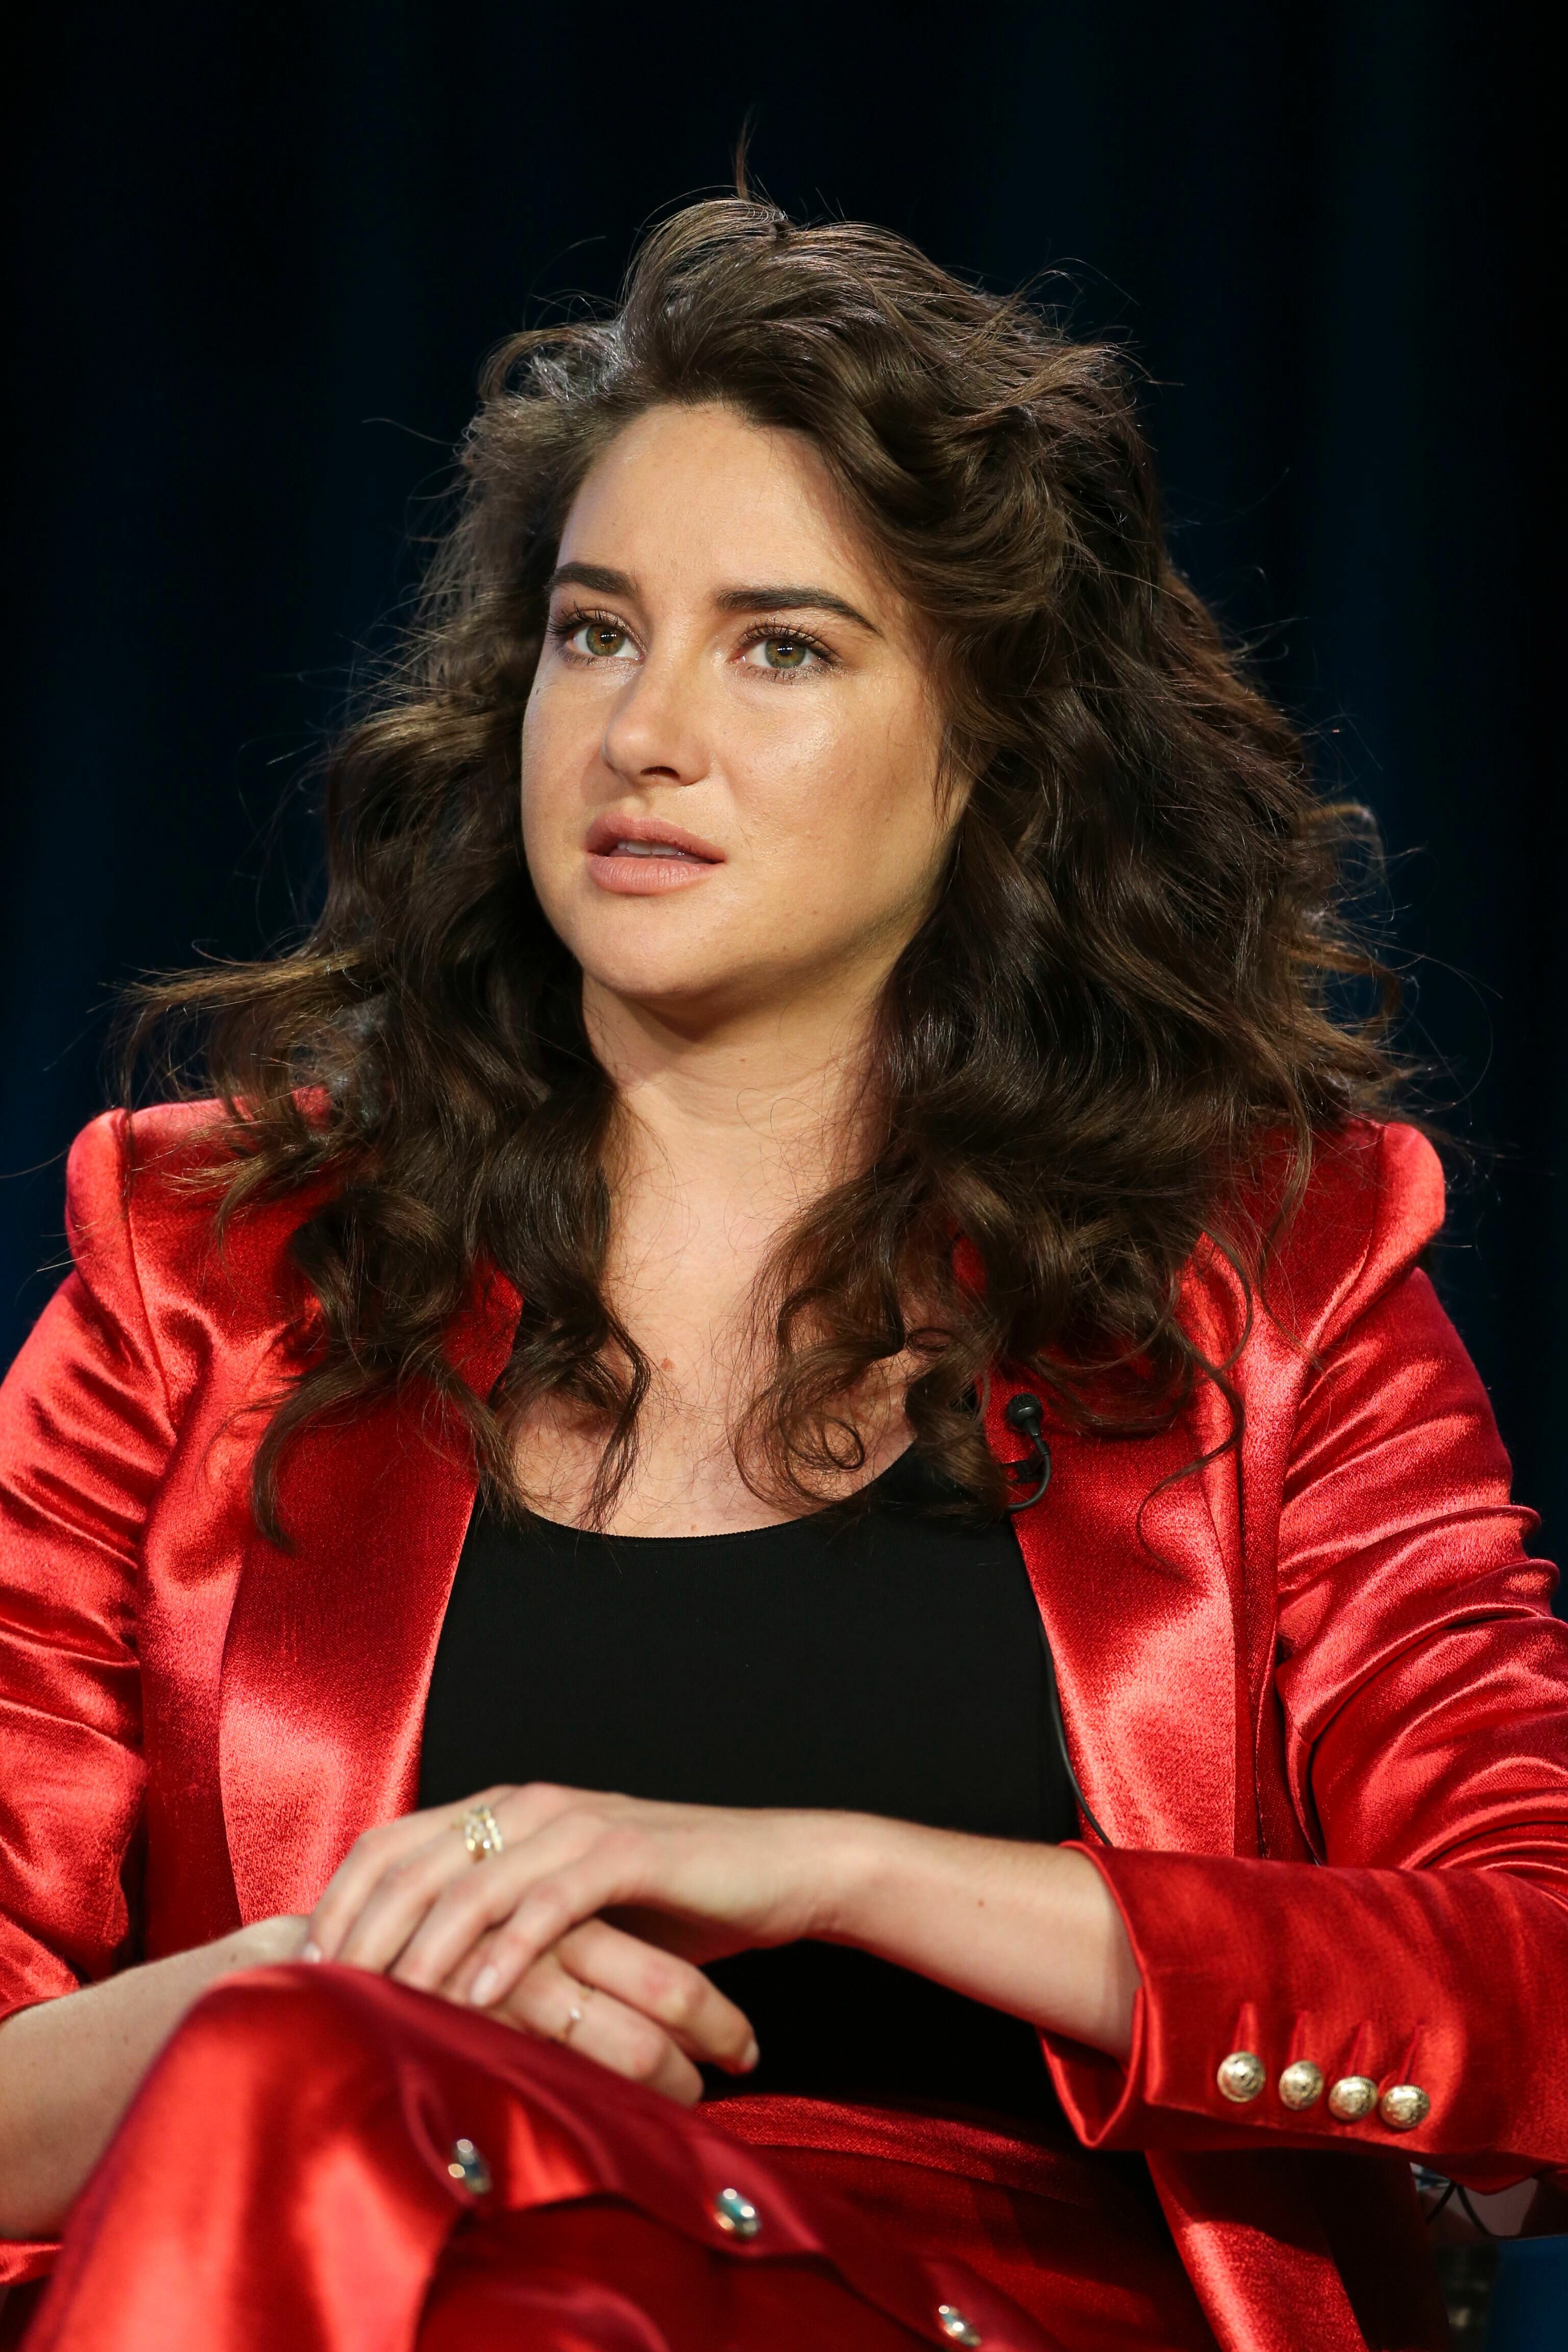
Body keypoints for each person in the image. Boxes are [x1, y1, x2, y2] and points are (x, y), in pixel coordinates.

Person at [1, 197, 1564, 2352]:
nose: (644, 731)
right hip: (355, 2251)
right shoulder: (205, 1266)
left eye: (783, 648)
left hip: (997, 2312)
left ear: (991, 751)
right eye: (593, 633)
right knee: (293, 2081)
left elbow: (1533, 1983)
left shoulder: (1272, 1278)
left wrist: (829, 1869)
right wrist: (323, 1987)